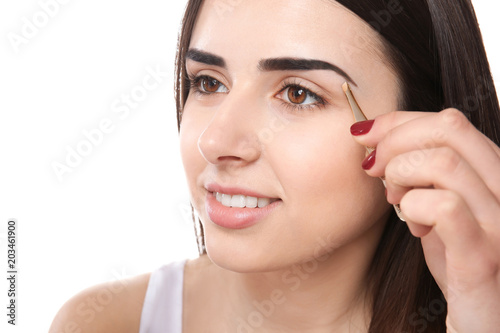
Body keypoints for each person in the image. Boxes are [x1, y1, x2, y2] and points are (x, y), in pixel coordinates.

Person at [50, 0, 500, 332]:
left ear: (421, 126)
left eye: (298, 93)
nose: (215, 141)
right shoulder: (104, 323)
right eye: (208, 82)